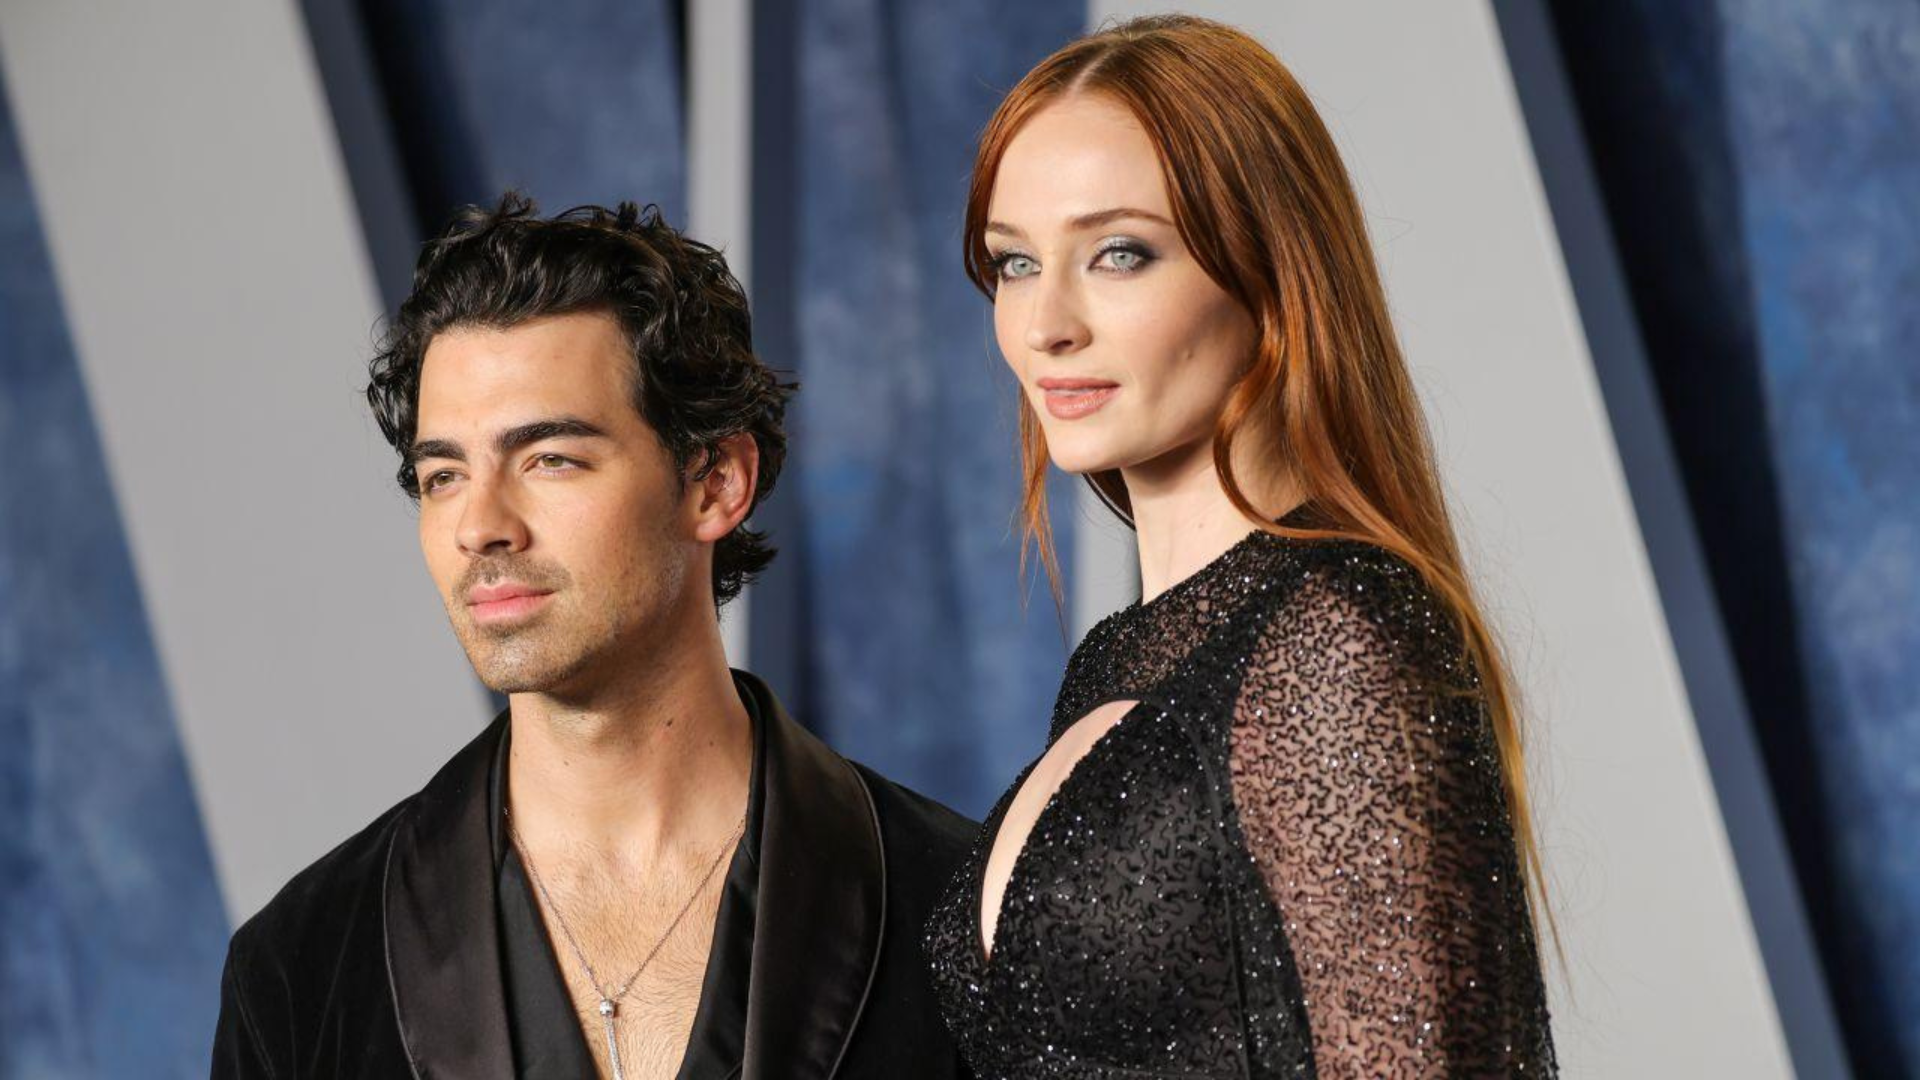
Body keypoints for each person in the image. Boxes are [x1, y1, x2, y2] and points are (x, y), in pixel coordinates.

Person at [922, 15, 1560, 1077]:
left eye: (1119, 253)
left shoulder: (1335, 642)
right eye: (1015, 263)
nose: (1045, 325)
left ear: (1270, 272)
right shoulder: (1122, 660)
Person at [211, 195, 975, 1079]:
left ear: (716, 484)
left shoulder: (965, 907)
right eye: (443, 475)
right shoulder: (299, 969)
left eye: (549, 460)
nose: (481, 527)